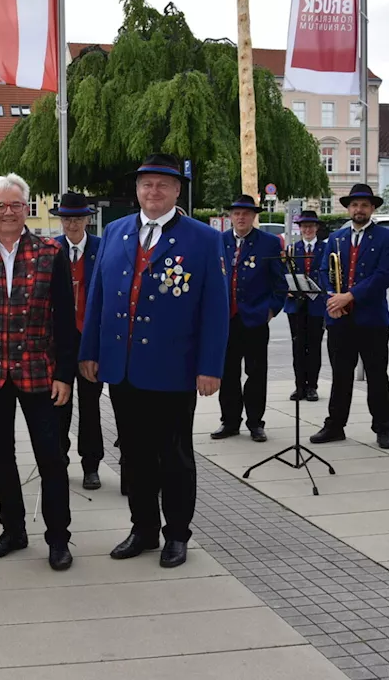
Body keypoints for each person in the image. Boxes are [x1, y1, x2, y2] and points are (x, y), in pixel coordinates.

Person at [79, 153, 228, 569]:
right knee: (135, 455)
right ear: (137, 189)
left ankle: (177, 533)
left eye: (163, 184)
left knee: (175, 455)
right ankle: (142, 527)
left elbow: (215, 308)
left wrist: (210, 365)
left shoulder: (203, 238)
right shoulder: (115, 231)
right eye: (146, 184)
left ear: (178, 190)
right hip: (122, 367)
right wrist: (89, 350)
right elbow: (98, 297)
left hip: (174, 368)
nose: (153, 191)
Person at [0, 173, 76, 571]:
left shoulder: (49, 252)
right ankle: (13, 530)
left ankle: (58, 538)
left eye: (15, 205)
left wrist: (65, 375)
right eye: (0, 206)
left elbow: (65, 318)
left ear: (27, 209)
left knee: (51, 458)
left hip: (40, 373)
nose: (8, 212)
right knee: (0, 457)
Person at [311, 184, 389, 449]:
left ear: (372, 208)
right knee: (340, 375)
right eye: (354, 205)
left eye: (364, 205)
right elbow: (324, 271)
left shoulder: (387, 238)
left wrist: (349, 297)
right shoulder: (336, 238)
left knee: (376, 375)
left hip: (371, 319)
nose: (358, 209)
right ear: (348, 208)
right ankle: (335, 425)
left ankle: (383, 428)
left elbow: (383, 276)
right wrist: (332, 299)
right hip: (339, 319)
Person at [212, 195, 286, 443]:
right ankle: (230, 421)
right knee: (228, 372)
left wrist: (271, 310)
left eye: (246, 213)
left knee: (256, 373)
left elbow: (280, 283)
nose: (241, 217)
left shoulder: (269, 243)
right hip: (225, 319)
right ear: (230, 216)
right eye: (236, 213)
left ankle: (256, 422)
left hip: (255, 318)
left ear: (254, 216)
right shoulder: (219, 241)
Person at [51, 192, 104, 489]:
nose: (72, 224)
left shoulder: (101, 248)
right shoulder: (50, 249)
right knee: (59, 404)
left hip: (89, 340)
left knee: (91, 406)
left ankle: (91, 464)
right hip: (58, 342)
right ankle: (58, 459)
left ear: (87, 219)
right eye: (67, 218)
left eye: (78, 218)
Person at [286, 211, 327, 402]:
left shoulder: (326, 249)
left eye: (311, 226)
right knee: (297, 346)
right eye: (304, 226)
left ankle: (312, 386)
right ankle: (299, 386)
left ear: (316, 228)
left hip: (317, 304)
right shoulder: (292, 250)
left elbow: (330, 275)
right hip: (296, 304)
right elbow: (284, 274)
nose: (307, 230)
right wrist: (287, 287)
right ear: (300, 228)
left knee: (314, 346)